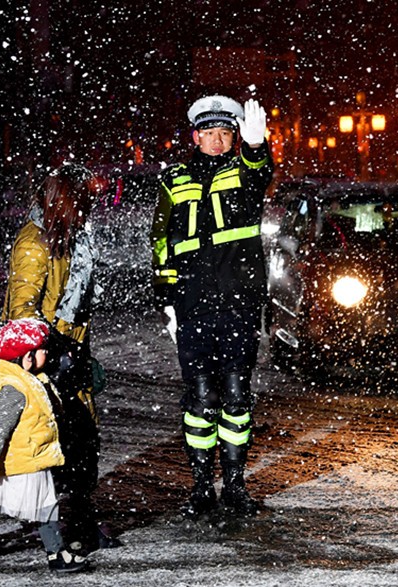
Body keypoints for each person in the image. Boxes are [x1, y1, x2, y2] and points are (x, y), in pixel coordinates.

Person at [150, 95, 274, 517]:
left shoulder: (244, 171)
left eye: (225, 133)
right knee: (200, 399)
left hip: (238, 304)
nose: (217, 140)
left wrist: (255, 147)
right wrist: (166, 296)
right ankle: (202, 486)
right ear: (196, 136)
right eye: (210, 133)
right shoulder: (174, 179)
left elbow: (260, 171)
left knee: (236, 396)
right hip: (192, 305)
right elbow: (162, 239)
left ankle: (235, 485)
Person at [1, 163, 117, 553]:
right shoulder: (35, 244)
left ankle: (81, 520)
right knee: (41, 449)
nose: (89, 211)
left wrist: (76, 351)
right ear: (66, 202)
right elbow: (22, 311)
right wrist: (48, 354)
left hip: (70, 356)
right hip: (46, 362)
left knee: (82, 444)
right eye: (83, 202)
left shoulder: (69, 238)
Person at [0, 318, 88, 573]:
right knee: (44, 506)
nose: (46, 353)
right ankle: (57, 554)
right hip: (24, 460)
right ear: (26, 356)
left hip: (22, 458)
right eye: (41, 349)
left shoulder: (30, 381)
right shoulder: (15, 388)